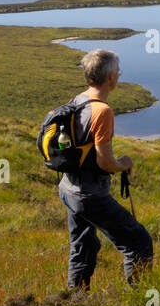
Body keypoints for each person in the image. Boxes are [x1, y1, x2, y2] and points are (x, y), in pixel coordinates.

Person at [58, 49, 153, 289]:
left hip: (69, 188)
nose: (119, 75)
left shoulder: (78, 100)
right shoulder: (103, 111)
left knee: (82, 245)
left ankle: (75, 303)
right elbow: (105, 162)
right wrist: (124, 163)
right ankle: (141, 301)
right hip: (90, 194)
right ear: (110, 76)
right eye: (117, 71)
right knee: (139, 243)